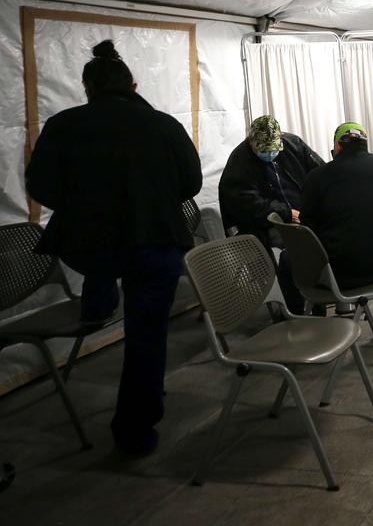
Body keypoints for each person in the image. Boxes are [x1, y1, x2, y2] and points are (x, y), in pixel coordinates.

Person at [25, 40, 202, 455]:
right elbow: (191, 184)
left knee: (103, 267)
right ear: (134, 85)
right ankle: (134, 432)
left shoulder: (64, 124)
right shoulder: (163, 125)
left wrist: (86, 205)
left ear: (87, 86)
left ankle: (98, 306)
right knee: (146, 336)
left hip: (90, 246)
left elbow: (40, 186)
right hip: (153, 243)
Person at [301, 122, 373, 333]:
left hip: (344, 272)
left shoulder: (317, 177)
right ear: (365, 144)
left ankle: (306, 323)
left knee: (291, 259)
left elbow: (308, 227)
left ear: (337, 147)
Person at [218, 115, 323, 314]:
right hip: (264, 223)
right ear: (251, 142)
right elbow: (247, 204)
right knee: (291, 255)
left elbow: (320, 173)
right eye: (263, 150)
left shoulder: (293, 145)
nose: (270, 153)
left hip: (302, 215)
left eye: (274, 148)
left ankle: (319, 296)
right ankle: (294, 310)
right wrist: (285, 212)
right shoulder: (239, 162)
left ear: (281, 138)